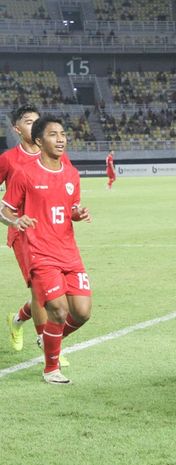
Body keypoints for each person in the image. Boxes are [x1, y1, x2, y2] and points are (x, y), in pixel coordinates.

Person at [1, 116, 92, 384]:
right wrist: (16, 220)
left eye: (63, 134)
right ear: (39, 141)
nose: (61, 139)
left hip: (69, 252)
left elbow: (70, 207)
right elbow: (5, 208)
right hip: (40, 252)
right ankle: (51, 368)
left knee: (83, 312)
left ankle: (48, 338)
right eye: (53, 134)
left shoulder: (71, 174)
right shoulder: (25, 174)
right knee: (58, 309)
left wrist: (78, 213)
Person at [1, 106, 70, 368]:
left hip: (54, 234)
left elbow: (67, 186)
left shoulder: (55, 154)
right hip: (24, 234)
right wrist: (12, 218)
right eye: (28, 122)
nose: (34, 125)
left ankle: (17, 320)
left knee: (53, 294)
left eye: (36, 121)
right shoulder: (8, 159)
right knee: (42, 290)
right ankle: (46, 344)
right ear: (17, 129)